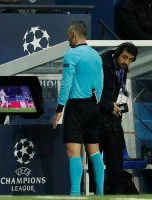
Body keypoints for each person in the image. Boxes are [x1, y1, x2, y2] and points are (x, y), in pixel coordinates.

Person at [52, 21, 104, 196]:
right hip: (94, 106)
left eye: (68, 36)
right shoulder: (96, 56)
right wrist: (97, 103)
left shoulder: (72, 54)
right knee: (93, 150)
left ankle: (74, 195)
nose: (68, 40)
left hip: (76, 107)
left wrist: (59, 109)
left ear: (74, 35)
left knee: (73, 151)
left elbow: (66, 83)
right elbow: (100, 82)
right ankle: (101, 194)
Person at [99, 42, 138, 194]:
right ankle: (93, 193)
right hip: (97, 120)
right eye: (124, 57)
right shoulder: (101, 63)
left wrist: (116, 106)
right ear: (117, 53)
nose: (126, 62)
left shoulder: (123, 68)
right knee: (94, 161)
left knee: (116, 163)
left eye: (130, 59)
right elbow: (92, 91)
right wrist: (108, 105)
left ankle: (117, 195)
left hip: (113, 120)